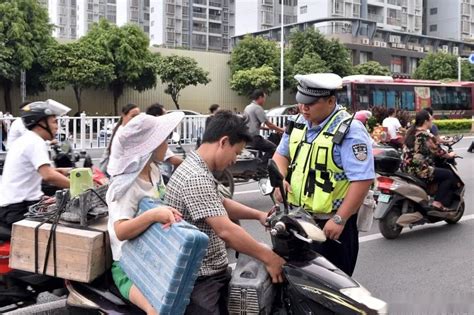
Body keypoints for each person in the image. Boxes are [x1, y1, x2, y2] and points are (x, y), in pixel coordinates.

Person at [165, 110, 285, 314]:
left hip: (212, 272)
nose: (234, 160)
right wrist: (269, 258)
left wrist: (259, 215)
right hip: (200, 279)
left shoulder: (197, 167)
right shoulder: (196, 177)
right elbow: (226, 231)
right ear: (223, 142)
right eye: (237, 153)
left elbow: (220, 203)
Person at [272, 73, 374, 276]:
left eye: (310, 103)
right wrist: (279, 180)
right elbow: (280, 156)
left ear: (330, 101)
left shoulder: (350, 131)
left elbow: (362, 179)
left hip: (329, 223)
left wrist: (340, 219)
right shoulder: (298, 122)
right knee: (295, 283)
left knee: (331, 289)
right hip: (297, 218)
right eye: (301, 102)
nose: (304, 108)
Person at [106, 112, 185, 315]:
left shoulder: (154, 171)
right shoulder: (126, 186)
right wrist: (153, 215)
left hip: (153, 257)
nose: (167, 144)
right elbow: (120, 231)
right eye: (164, 139)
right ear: (151, 145)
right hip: (128, 266)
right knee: (156, 311)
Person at [0, 100, 71, 230]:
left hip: (13, 206)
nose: (57, 127)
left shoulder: (27, 139)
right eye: (54, 122)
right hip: (19, 209)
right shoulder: (35, 142)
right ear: (41, 124)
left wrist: (65, 171)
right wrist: (82, 186)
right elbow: (48, 176)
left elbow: (44, 172)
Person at [402, 110, 458, 212]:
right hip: (419, 169)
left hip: (405, 168)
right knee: (448, 175)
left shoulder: (410, 132)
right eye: (430, 118)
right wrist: (450, 155)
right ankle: (438, 202)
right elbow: (439, 152)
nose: (432, 120)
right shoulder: (426, 135)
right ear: (425, 121)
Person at [243, 89, 285, 165]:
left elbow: (254, 124)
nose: (264, 100)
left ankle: (258, 165)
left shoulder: (248, 107)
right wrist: (282, 130)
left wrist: (268, 129)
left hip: (247, 138)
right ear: (260, 97)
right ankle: (262, 166)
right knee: (275, 149)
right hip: (255, 138)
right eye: (264, 98)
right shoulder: (257, 108)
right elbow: (269, 124)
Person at [100, 104, 140, 174]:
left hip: (116, 170)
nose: (136, 119)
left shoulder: (121, 129)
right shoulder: (124, 133)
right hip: (119, 171)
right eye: (133, 116)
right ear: (124, 115)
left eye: (138, 116)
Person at [145, 103, 183, 168]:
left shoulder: (149, 134)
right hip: (161, 174)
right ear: (158, 117)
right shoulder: (157, 138)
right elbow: (174, 160)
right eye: (165, 114)